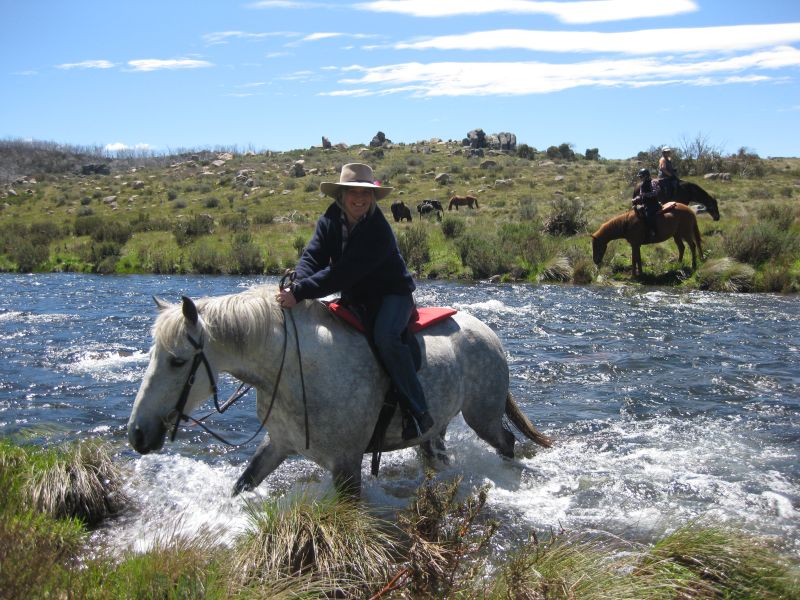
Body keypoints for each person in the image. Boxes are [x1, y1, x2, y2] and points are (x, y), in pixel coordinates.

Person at [276, 163, 434, 440]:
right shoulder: (330, 219)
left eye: (365, 193)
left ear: (372, 197)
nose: (359, 199)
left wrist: (300, 293)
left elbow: (342, 271)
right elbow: (314, 255)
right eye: (353, 192)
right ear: (341, 195)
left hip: (392, 294)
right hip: (356, 295)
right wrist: (296, 281)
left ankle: (419, 410)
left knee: (386, 337)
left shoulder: (377, 229)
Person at [632, 168, 661, 240]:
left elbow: (655, 192)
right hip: (645, 204)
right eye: (640, 177)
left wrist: (645, 195)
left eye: (641, 176)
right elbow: (641, 195)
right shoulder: (642, 185)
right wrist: (636, 199)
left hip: (653, 204)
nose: (640, 178)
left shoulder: (653, 182)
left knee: (648, 215)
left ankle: (653, 231)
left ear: (646, 176)